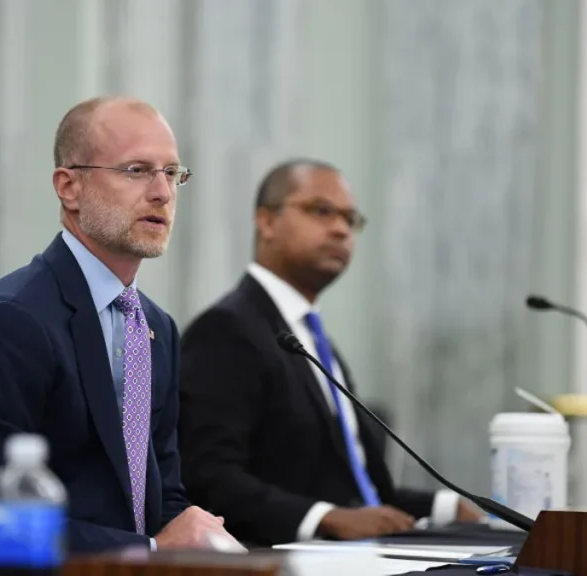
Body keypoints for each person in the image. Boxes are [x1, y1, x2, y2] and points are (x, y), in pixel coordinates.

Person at [0, 96, 237, 560]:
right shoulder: (12, 324)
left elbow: (162, 497)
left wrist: (203, 543)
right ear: (69, 187)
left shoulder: (155, 328)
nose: (162, 193)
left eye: (171, 173)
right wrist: (151, 549)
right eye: (136, 170)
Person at [178, 159, 483, 546]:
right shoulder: (226, 329)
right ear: (267, 221)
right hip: (280, 558)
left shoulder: (312, 339)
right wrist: (324, 518)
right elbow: (209, 478)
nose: (341, 229)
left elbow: (359, 494)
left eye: (350, 219)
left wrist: (446, 506)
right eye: (321, 211)